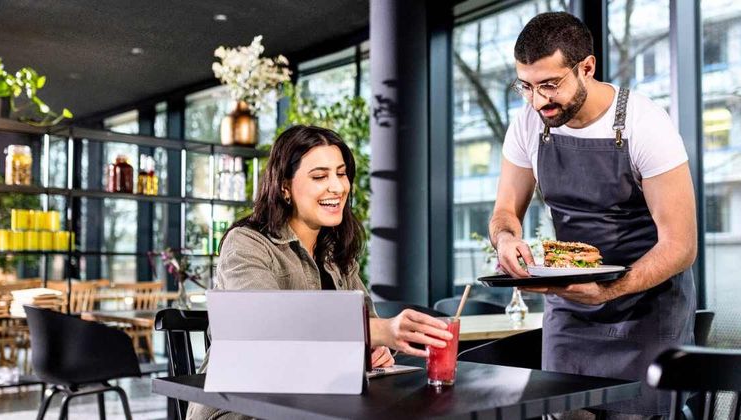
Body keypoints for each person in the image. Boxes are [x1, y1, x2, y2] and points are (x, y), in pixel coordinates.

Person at [489, 12, 696, 420]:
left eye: (550, 85)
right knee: (562, 412)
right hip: (571, 311)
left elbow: (681, 246)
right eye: (526, 86)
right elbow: (505, 211)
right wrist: (506, 239)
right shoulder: (528, 123)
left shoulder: (644, 124)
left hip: (646, 311)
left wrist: (608, 290)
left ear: (587, 67)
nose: (538, 100)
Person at [187, 125, 452, 420]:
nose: (337, 187)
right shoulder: (247, 242)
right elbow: (264, 327)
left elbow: (370, 327)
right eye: (320, 176)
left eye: (341, 173)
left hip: (316, 402)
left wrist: (376, 350)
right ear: (284, 187)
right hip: (239, 407)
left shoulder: (335, 251)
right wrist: (376, 332)